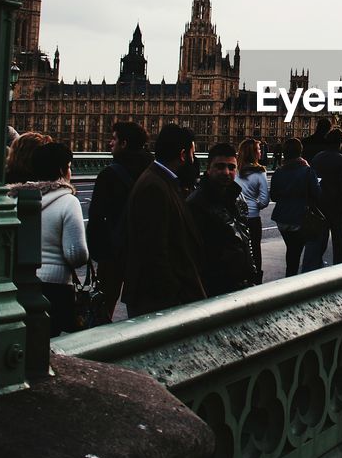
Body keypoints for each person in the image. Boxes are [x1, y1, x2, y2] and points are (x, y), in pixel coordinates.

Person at [122, 124, 206, 317]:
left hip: (158, 297)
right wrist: (175, 295)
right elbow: (154, 251)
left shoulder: (161, 180)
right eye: (193, 153)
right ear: (183, 155)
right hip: (156, 300)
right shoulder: (155, 187)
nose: (195, 159)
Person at [7, 142, 86, 336]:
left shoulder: (15, 199)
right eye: (69, 166)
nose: (70, 171)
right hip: (56, 289)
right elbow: (75, 255)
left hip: (19, 283)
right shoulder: (68, 201)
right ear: (61, 170)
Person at [86, 121, 152, 322]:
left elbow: (97, 218)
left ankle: (99, 346)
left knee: (104, 305)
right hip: (144, 251)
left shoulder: (109, 174)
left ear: (123, 143)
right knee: (142, 309)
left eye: (113, 138)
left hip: (114, 252)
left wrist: (97, 253)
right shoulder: (153, 171)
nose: (109, 143)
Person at [187, 142, 258, 295]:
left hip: (240, 284)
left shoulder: (238, 196)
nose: (226, 172)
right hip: (215, 287)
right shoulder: (196, 203)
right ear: (208, 168)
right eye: (220, 166)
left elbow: (245, 240)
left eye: (231, 167)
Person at [269, 137, 322, 276]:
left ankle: (291, 274)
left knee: (292, 249)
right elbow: (317, 193)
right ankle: (294, 280)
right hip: (299, 218)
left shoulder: (278, 172)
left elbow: (273, 196)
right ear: (300, 152)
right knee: (301, 249)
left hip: (281, 219)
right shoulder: (307, 171)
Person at [310, 128, 342, 265]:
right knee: (339, 242)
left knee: (320, 241)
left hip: (320, 205)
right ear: (340, 142)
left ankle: (315, 266)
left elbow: (313, 181)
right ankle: (339, 269)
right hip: (337, 207)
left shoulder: (317, 158)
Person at [236, 138, 270, 282]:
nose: (261, 151)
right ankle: (256, 279)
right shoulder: (260, 173)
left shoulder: (235, 171)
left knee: (239, 249)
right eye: (258, 149)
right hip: (253, 218)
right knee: (255, 249)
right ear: (253, 153)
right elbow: (264, 201)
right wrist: (254, 204)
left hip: (236, 217)